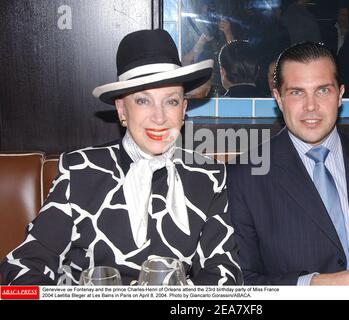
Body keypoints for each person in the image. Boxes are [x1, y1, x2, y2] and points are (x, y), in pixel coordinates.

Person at [0, 29, 243, 286]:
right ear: (121, 110)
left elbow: (223, 270)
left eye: (171, 102)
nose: (159, 118)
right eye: (143, 101)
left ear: (183, 109)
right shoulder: (80, 171)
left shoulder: (208, 175)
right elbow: (26, 263)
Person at [227, 42, 349, 285]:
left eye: (323, 90)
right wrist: (314, 284)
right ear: (279, 98)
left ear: (340, 95)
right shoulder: (243, 176)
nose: (311, 106)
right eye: (297, 92)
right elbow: (242, 280)